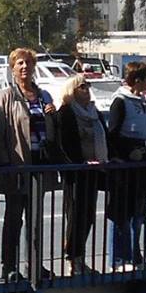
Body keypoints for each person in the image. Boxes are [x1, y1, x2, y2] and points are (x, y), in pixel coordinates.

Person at [0, 48, 54, 281]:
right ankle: (9, 266)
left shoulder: (43, 95)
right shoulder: (6, 96)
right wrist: (6, 163)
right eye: (19, 63)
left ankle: (34, 264)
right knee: (14, 218)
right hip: (17, 165)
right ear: (12, 68)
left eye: (28, 63)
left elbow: (51, 129)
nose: (24, 67)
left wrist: (52, 115)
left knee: (35, 219)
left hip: (39, 164)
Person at [103, 62, 146, 270]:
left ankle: (134, 255)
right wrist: (125, 153)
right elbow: (113, 133)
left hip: (143, 164)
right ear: (137, 80)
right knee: (121, 215)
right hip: (127, 166)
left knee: (138, 214)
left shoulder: (142, 100)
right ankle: (118, 259)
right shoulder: (120, 101)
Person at [51, 74, 109, 272]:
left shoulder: (94, 112)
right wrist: (78, 163)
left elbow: (105, 135)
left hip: (94, 169)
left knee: (88, 215)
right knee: (76, 214)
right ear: (72, 90)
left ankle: (80, 257)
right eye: (82, 86)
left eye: (88, 86)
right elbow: (64, 143)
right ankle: (73, 258)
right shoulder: (66, 112)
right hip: (76, 172)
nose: (87, 90)